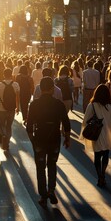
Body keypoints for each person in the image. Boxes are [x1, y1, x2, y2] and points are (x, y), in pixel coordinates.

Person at [26, 77, 71, 208]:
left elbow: (29, 127)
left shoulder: (34, 104)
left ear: (40, 88)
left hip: (39, 138)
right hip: (54, 138)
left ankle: (43, 195)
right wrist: (67, 139)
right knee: (52, 164)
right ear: (52, 89)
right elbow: (66, 124)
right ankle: (51, 190)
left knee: (40, 167)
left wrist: (33, 141)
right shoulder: (58, 104)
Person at [81, 84, 111, 187]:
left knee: (97, 156)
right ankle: (103, 174)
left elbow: (85, 121)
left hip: (96, 134)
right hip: (108, 134)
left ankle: (99, 176)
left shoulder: (92, 105)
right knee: (105, 155)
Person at [0, 68, 20, 150]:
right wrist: (17, 107)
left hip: (2, 109)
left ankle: (4, 138)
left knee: (2, 125)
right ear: (11, 74)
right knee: (9, 126)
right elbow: (17, 98)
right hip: (12, 109)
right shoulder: (16, 85)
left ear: (3, 75)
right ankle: (7, 141)